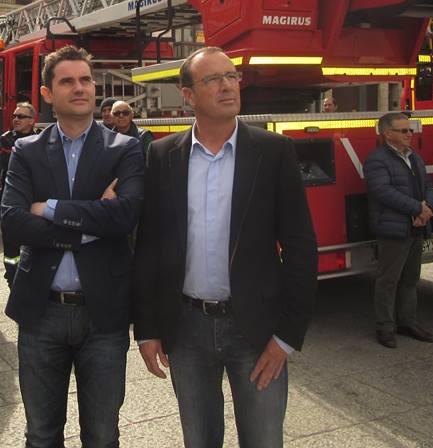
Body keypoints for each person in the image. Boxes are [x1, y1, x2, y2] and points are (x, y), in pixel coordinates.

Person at [134, 46, 318, 448]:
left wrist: (287, 335)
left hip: (256, 331)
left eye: (231, 76)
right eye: (212, 80)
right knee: (199, 440)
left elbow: (302, 246)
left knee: (264, 439)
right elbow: (149, 246)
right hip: (186, 330)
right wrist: (147, 328)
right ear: (187, 94)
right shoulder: (163, 155)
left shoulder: (272, 152)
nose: (227, 86)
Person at [1, 45, 143, 448]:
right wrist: (90, 223)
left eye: (85, 80)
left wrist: (50, 209)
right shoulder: (26, 150)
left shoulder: (125, 149)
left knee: (102, 435)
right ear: (47, 93)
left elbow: (125, 217)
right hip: (41, 310)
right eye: (67, 81)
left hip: (103, 316)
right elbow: (13, 221)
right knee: (41, 435)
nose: (79, 88)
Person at [364, 112, 433, 349]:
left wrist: (428, 209)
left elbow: (427, 184)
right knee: (389, 281)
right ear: (388, 134)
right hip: (393, 229)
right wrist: (416, 208)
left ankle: (408, 322)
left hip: (416, 226)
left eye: (410, 130)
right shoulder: (377, 160)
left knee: (410, 279)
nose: (409, 135)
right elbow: (382, 191)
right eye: (404, 131)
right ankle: (385, 328)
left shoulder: (414, 157)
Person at [0, 102, 40, 286]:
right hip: (13, 199)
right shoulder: (6, 139)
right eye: (15, 116)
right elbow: (10, 165)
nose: (16, 119)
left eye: (21, 117)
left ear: (32, 121)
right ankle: (12, 279)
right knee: (11, 245)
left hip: (35, 198)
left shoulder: (40, 139)